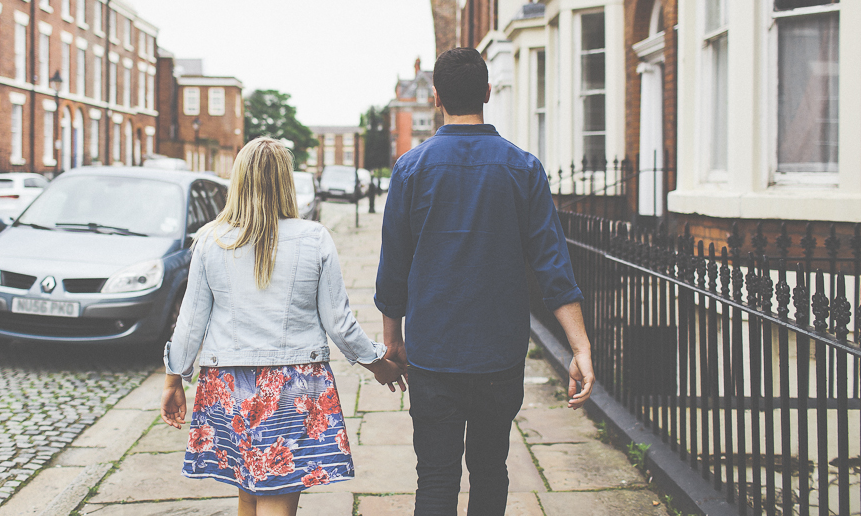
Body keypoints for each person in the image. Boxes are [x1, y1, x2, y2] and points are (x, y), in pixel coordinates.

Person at [375, 47, 595, 516]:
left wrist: (393, 341)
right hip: (499, 354)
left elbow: (393, 267)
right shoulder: (523, 169)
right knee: (491, 471)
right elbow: (553, 265)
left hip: (434, 354)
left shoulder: (411, 170)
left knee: (435, 479)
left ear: (436, 98)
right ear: (488, 93)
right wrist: (580, 348)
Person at [161, 137, 405, 516]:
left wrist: (173, 379)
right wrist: (379, 363)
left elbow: (190, 323)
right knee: (277, 491)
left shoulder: (211, 240)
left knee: (249, 490)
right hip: (295, 386)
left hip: (228, 385)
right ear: (286, 182)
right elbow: (339, 323)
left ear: (238, 181)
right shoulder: (314, 238)